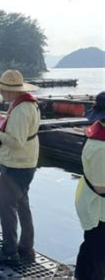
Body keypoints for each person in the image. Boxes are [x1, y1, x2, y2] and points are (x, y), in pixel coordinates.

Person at [0, 69, 40, 265]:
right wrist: (6, 120)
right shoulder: (27, 104)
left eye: (3, 90)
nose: (1, 93)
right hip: (27, 163)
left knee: (7, 209)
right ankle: (26, 248)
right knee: (23, 205)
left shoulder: (21, 109)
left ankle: (9, 252)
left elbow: (16, 142)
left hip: (16, 164)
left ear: (11, 91)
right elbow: (21, 131)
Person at [74, 91, 105, 280]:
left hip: (90, 199)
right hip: (97, 207)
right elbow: (102, 188)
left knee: (90, 246)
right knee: (99, 251)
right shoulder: (100, 147)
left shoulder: (99, 133)